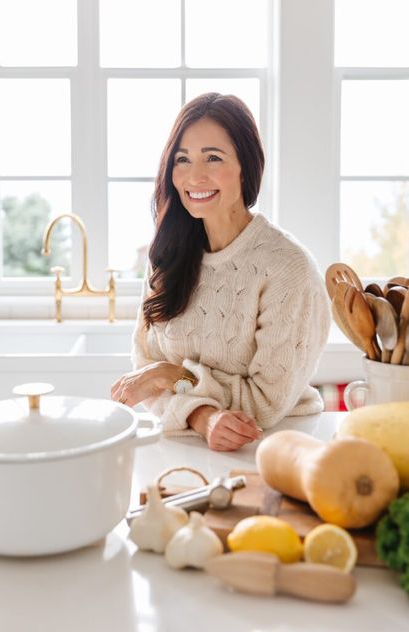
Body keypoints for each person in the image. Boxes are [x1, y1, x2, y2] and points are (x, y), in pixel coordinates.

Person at [111, 92, 331, 451]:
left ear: (246, 165)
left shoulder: (287, 269)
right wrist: (200, 416)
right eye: (183, 160)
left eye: (212, 158)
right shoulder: (168, 255)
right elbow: (145, 370)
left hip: (276, 446)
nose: (195, 176)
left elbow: (265, 404)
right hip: (188, 440)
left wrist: (175, 376)